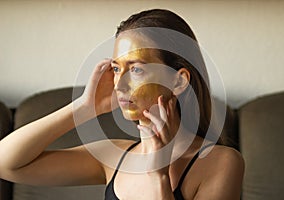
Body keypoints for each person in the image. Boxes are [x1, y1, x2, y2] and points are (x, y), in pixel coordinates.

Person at [0, 9, 244, 200]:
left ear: (179, 81)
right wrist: (84, 108)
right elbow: (6, 164)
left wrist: (158, 174)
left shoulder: (221, 162)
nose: (120, 83)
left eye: (136, 69)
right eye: (117, 69)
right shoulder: (114, 156)